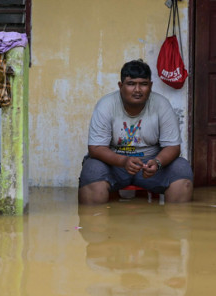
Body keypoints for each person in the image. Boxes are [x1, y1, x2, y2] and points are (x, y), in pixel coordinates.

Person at [78, 59, 194, 204]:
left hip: (150, 164)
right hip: (114, 163)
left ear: (150, 86)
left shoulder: (161, 105)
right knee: (92, 169)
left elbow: (173, 147)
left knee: (182, 168)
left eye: (143, 84)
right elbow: (95, 148)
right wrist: (123, 161)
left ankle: (173, 225)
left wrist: (157, 163)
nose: (137, 90)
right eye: (131, 84)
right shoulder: (106, 105)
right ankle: (95, 224)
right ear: (121, 86)